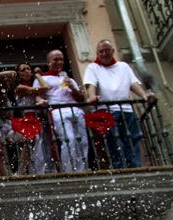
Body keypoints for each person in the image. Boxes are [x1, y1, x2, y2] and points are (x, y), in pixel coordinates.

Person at [83, 40, 156, 169]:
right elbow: (90, 84)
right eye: (101, 51)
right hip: (106, 111)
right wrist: (92, 96)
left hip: (127, 110)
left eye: (107, 50)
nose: (104, 54)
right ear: (97, 53)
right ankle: (121, 169)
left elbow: (133, 83)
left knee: (133, 140)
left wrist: (144, 95)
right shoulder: (93, 67)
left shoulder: (123, 66)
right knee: (115, 143)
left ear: (113, 51)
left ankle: (134, 168)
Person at [40, 50, 88, 173]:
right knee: (69, 139)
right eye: (55, 59)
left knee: (82, 141)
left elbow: (81, 99)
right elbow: (38, 96)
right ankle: (69, 171)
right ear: (48, 62)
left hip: (76, 110)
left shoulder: (69, 79)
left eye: (61, 59)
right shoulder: (43, 79)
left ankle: (82, 170)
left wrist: (72, 87)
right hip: (58, 111)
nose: (59, 62)